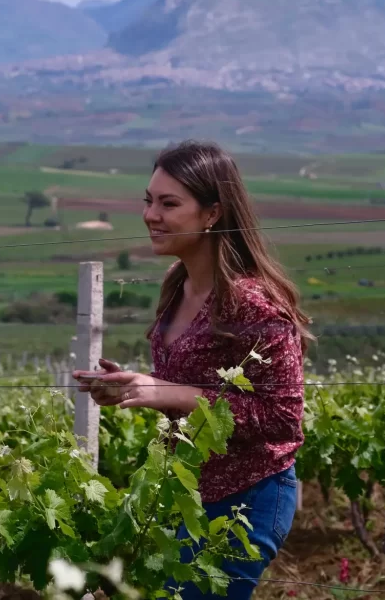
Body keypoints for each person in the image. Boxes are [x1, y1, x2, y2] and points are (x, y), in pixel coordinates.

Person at [73, 140, 312, 600]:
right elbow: (190, 385)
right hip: (187, 493)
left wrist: (168, 392)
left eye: (168, 203)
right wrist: (132, 386)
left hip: (248, 498)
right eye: (148, 200)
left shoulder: (253, 306)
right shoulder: (177, 285)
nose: (150, 214)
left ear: (212, 214)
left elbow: (283, 419)